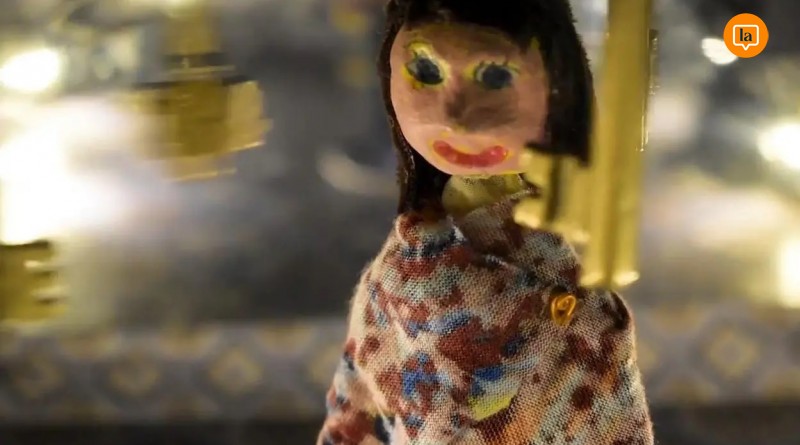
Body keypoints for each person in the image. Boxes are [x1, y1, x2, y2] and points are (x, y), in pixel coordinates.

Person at [317, 1, 654, 443]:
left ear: (561, 85)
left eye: (495, 77)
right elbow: (355, 408)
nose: (456, 116)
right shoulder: (404, 277)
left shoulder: (551, 241)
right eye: (425, 71)